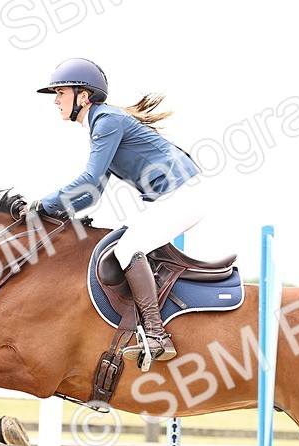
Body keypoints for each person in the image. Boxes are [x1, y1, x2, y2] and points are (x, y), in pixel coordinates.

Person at [35, 57, 204, 364]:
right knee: (122, 244)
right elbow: (92, 194)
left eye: (60, 93)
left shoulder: (106, 122)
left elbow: (89, 180)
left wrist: (43, 204)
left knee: (127, 250)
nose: (56, 100)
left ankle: (156, 335)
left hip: (183, 195)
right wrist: (57, 212)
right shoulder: (102, 123)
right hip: (176, 196)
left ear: (83, 96)